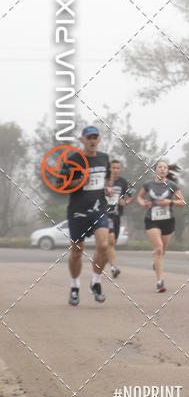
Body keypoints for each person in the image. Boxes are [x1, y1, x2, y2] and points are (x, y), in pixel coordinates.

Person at [66, 126, 113, 306]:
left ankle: (95, 282)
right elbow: (63, 185)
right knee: (77, 251)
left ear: (99, 139)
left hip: (99, 208)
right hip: (78, 211)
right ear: (82, 140)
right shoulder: (73, 160)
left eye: (95, 137)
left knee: (104, 244)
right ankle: (75, 286)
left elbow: (107, 178)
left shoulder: (104, 158)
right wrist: (80, 181)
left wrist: (108, 188)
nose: (92, 140)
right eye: (89, 137)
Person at [137, 160, 185, 293]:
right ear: (155, 170)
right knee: (158, 249)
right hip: (152, 220)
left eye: (165, 167)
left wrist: (169, 201)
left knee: (162, 251)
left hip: (168, 221)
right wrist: (143, 203)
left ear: (167, 171)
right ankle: (159, 282)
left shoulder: (171, 185)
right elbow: (139, 197)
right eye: (160, 167)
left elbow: (182, 202)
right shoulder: (148, 184)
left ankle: (156, 262)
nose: (163, 169)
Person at [106, 159, 134, 279]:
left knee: (112, 243)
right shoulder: (104, 182)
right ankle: (113, 268)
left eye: (118, 168)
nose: (115, 170)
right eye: (113, 168)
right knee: (111, 240)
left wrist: (126, 202)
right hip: (105, 215)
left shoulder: (123, 182)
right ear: (109, 169)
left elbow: (132, 195)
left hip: (117, 215)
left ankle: (106, 259)